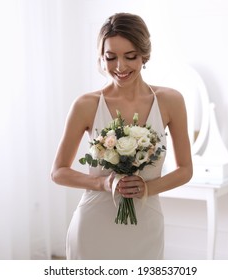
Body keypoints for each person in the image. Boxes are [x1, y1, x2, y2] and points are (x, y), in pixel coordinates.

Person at [51, 12, 193, 260]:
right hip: (94, 225)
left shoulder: (171, 101)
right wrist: (104, 183)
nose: (120, 67)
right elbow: (58, 172)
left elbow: (185, 170)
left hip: (146, 225)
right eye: (110, 57)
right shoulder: (85, 105)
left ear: (144, 55)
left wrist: (147, 187)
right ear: (101, 57)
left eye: (130, 57)